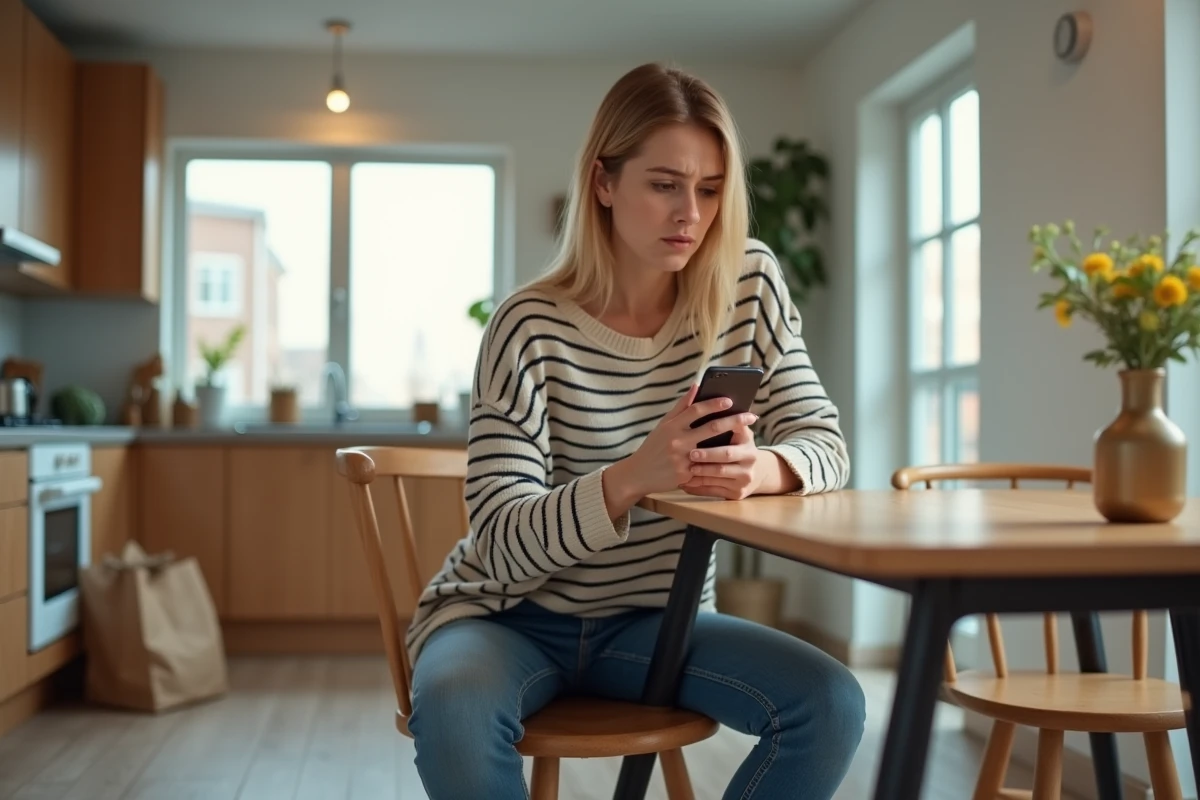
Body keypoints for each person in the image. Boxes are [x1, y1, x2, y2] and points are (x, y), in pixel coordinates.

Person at [405, 62, 865, 799]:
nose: (690, 212)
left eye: (710, 189)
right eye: (664, 184)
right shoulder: (529, 325)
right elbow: (499, 539)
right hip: (509, 617)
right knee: (455, 708)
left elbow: (825, 444)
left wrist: (761, 468)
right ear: (604, 182)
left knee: (831, 703)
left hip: (662, 622)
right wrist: (631, 479)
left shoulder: (748, 285)